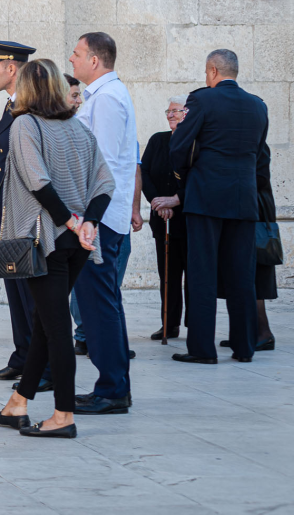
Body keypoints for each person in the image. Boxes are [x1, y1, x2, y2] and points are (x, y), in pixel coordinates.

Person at [0, 59, 115, 439]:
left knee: (56, 329)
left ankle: (63, 415)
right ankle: (19, 402)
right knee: (46, 322)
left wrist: (72, 221)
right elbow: (105, 183)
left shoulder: (24, 124)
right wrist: (88, 221)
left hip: (47, 239)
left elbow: (37, 180)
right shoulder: (78, 127)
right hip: (76, 242)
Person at [169, 49, 268, 364]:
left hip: (206, 198)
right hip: (244, 198)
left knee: (202, 274)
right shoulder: (258, 106)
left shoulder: (201, 100)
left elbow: (180, 146)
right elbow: (260, 156)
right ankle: (244, 347)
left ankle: (202, 349)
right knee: (242, 274)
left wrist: (187, 176)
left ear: (212, 70)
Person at [68, 31, 136, 414]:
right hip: (101, 216)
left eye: (77, 55)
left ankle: (111, 389)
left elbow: (103, 165)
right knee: (103, 302)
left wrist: (88, 219)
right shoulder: (102, 97)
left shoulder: (107, 100)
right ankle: (114, 383)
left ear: (94, 60)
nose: (73, 60)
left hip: (101, 219)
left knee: (98, 305)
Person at [0, 39, 42, 384]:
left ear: (12, 68)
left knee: (33, 297)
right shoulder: (12, 106)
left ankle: (40, 366)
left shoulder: (30, 108)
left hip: (24, 217)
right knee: (16, 292)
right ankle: (23, 356)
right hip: (8, 215)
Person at [140, 94, 190, 340]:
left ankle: (195, 326)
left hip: (188, 219)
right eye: (168, 111)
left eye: (176, 111)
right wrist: (158, 202)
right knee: (167, 274)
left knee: (192, 275)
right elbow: (145, 171)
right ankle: (169, 324)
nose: (170, 115)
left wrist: (176, 199)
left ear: (187, 114)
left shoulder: (195, 141)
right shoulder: (158, 140)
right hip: (163, 219)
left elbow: (197, 178)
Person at [220, 142, 278, 351]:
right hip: (249, 214)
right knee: (243, 277)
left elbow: (260, 179)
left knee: (255, 279)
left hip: (255, 218)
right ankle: (245, 332)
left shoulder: (257, 147)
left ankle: (263, 332)